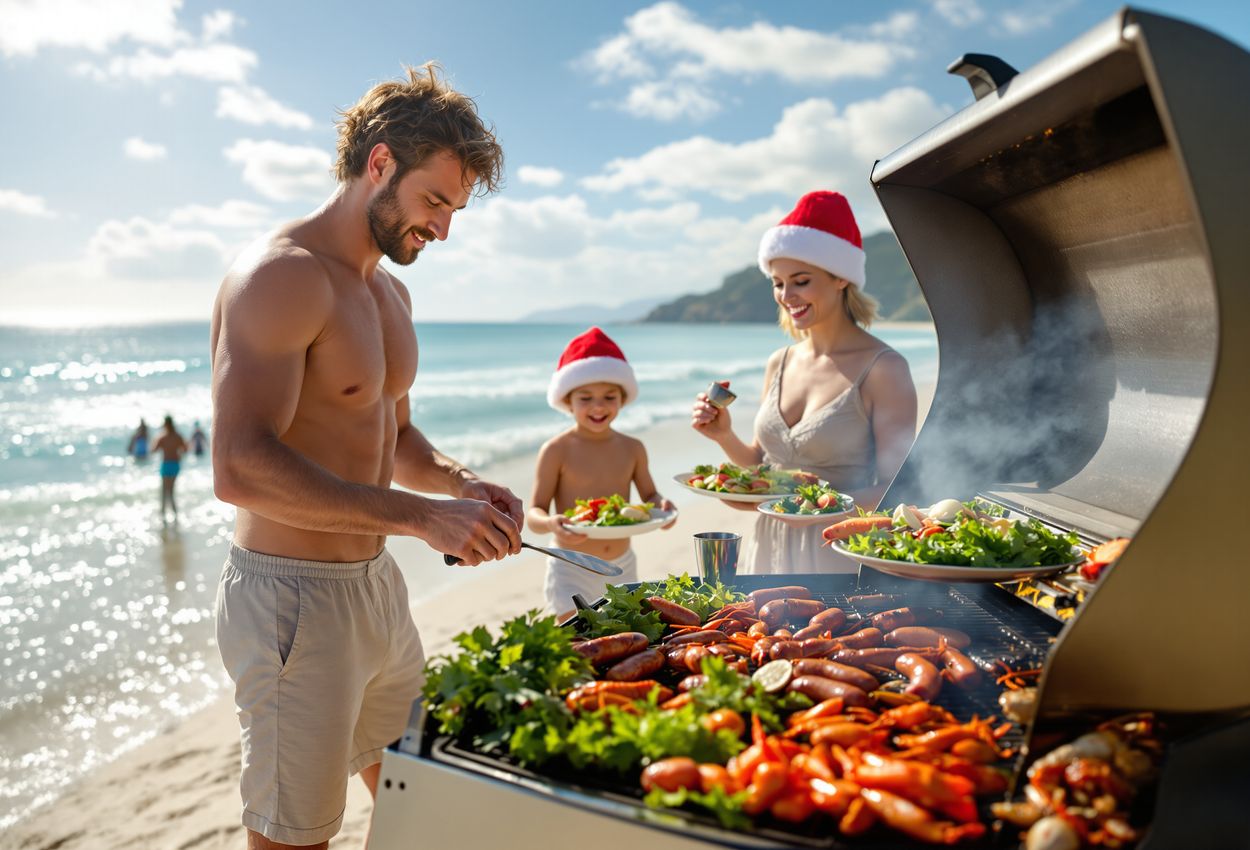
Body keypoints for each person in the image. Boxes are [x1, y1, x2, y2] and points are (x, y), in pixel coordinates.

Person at [209, 64, 518, 850]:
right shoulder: (281, 277)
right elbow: (239, 466)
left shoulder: (389, 293)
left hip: (376, 589)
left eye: (454, 209)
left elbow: (394, 435)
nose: (443, 229)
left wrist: (462, 487)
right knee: (296, 836)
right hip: (292, 604)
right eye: (435, 201)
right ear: (379, 164)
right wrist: (423, 518)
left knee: (422, 800)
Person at [691, 191, 918, 573]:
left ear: (841, 277)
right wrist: (723, 435)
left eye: (800, 281)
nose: (786, 296)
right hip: (766, 551)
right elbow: (764, 468)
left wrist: (810, 509)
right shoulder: (778, 362)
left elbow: (897, 489)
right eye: (777, 283)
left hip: (838, 553)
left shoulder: (884, 369)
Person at [528, 327, 676, 619]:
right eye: (585, 398)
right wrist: (552, 523)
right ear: (567, 401)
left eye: (609, 397)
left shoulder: (632, 448)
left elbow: (649, 495)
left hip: (621, 564)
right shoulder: (556, 450)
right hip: (570, 565)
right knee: (575, 640)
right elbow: (534, 513)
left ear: (623, 399)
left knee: (621, 639)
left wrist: (663, 507)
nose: (598, 406)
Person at [151, 415, 189, 522]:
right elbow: (186, 449)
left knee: (164, 491)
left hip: (166, 464)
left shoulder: (162, 437)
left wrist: (154, 439)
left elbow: (153, 450)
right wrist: (179, 454)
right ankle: (175, 516)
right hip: (175, 465)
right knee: (171, 491)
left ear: (165, 424)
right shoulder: (178, 436)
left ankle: (163, 517)